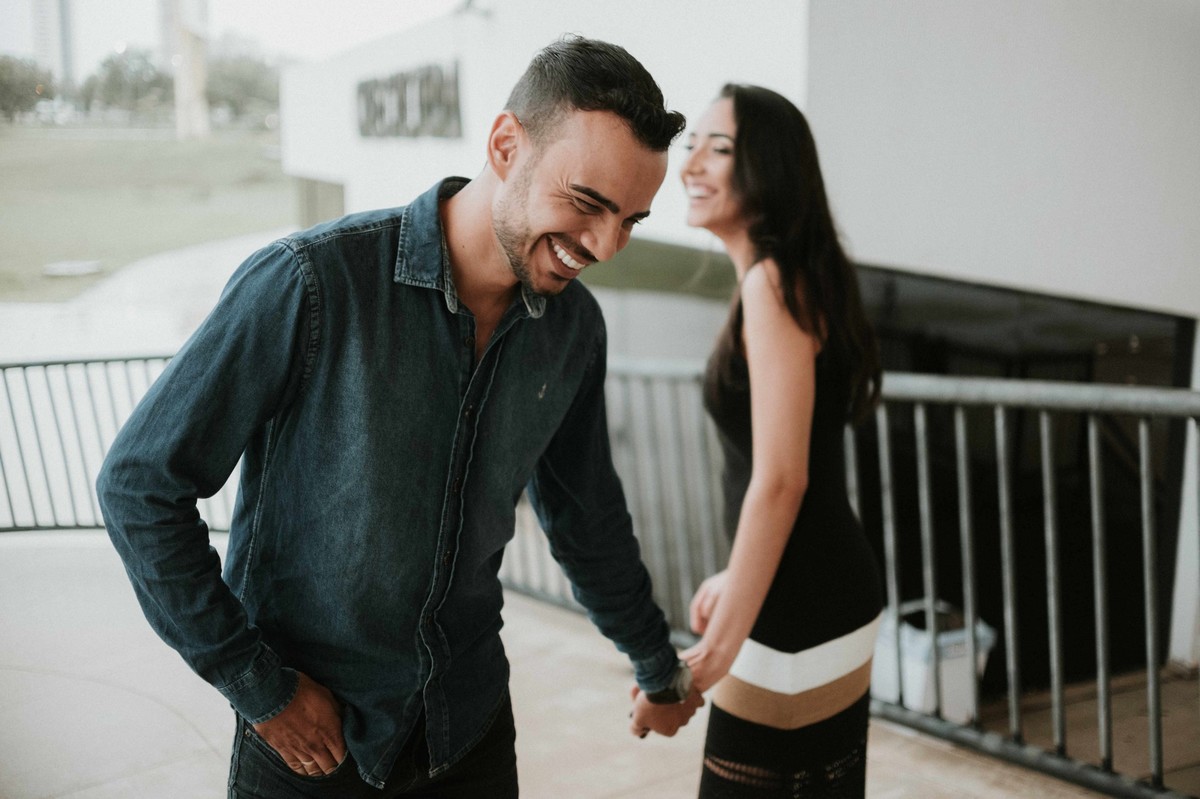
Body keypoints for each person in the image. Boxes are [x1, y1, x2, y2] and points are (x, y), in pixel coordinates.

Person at [97, 35, 703, 799]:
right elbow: (139, 485)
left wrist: (657, 663)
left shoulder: (574, 330)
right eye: (587, 204)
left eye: (632, 220)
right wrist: (259, 687)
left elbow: (588, 519)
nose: (606, 244)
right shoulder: (312, 284)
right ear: (506, 144)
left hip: (471, 726)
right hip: (311, 744)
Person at [675, 84, 884, 797]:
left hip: (800, 608)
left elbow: (782, 479)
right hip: (823, 590)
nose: (691, 162)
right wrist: (737, 574)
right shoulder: (792, 279)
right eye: (690, 143)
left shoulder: (771, 284)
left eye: (719, 146)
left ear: (768, 167)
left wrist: (706, 659)